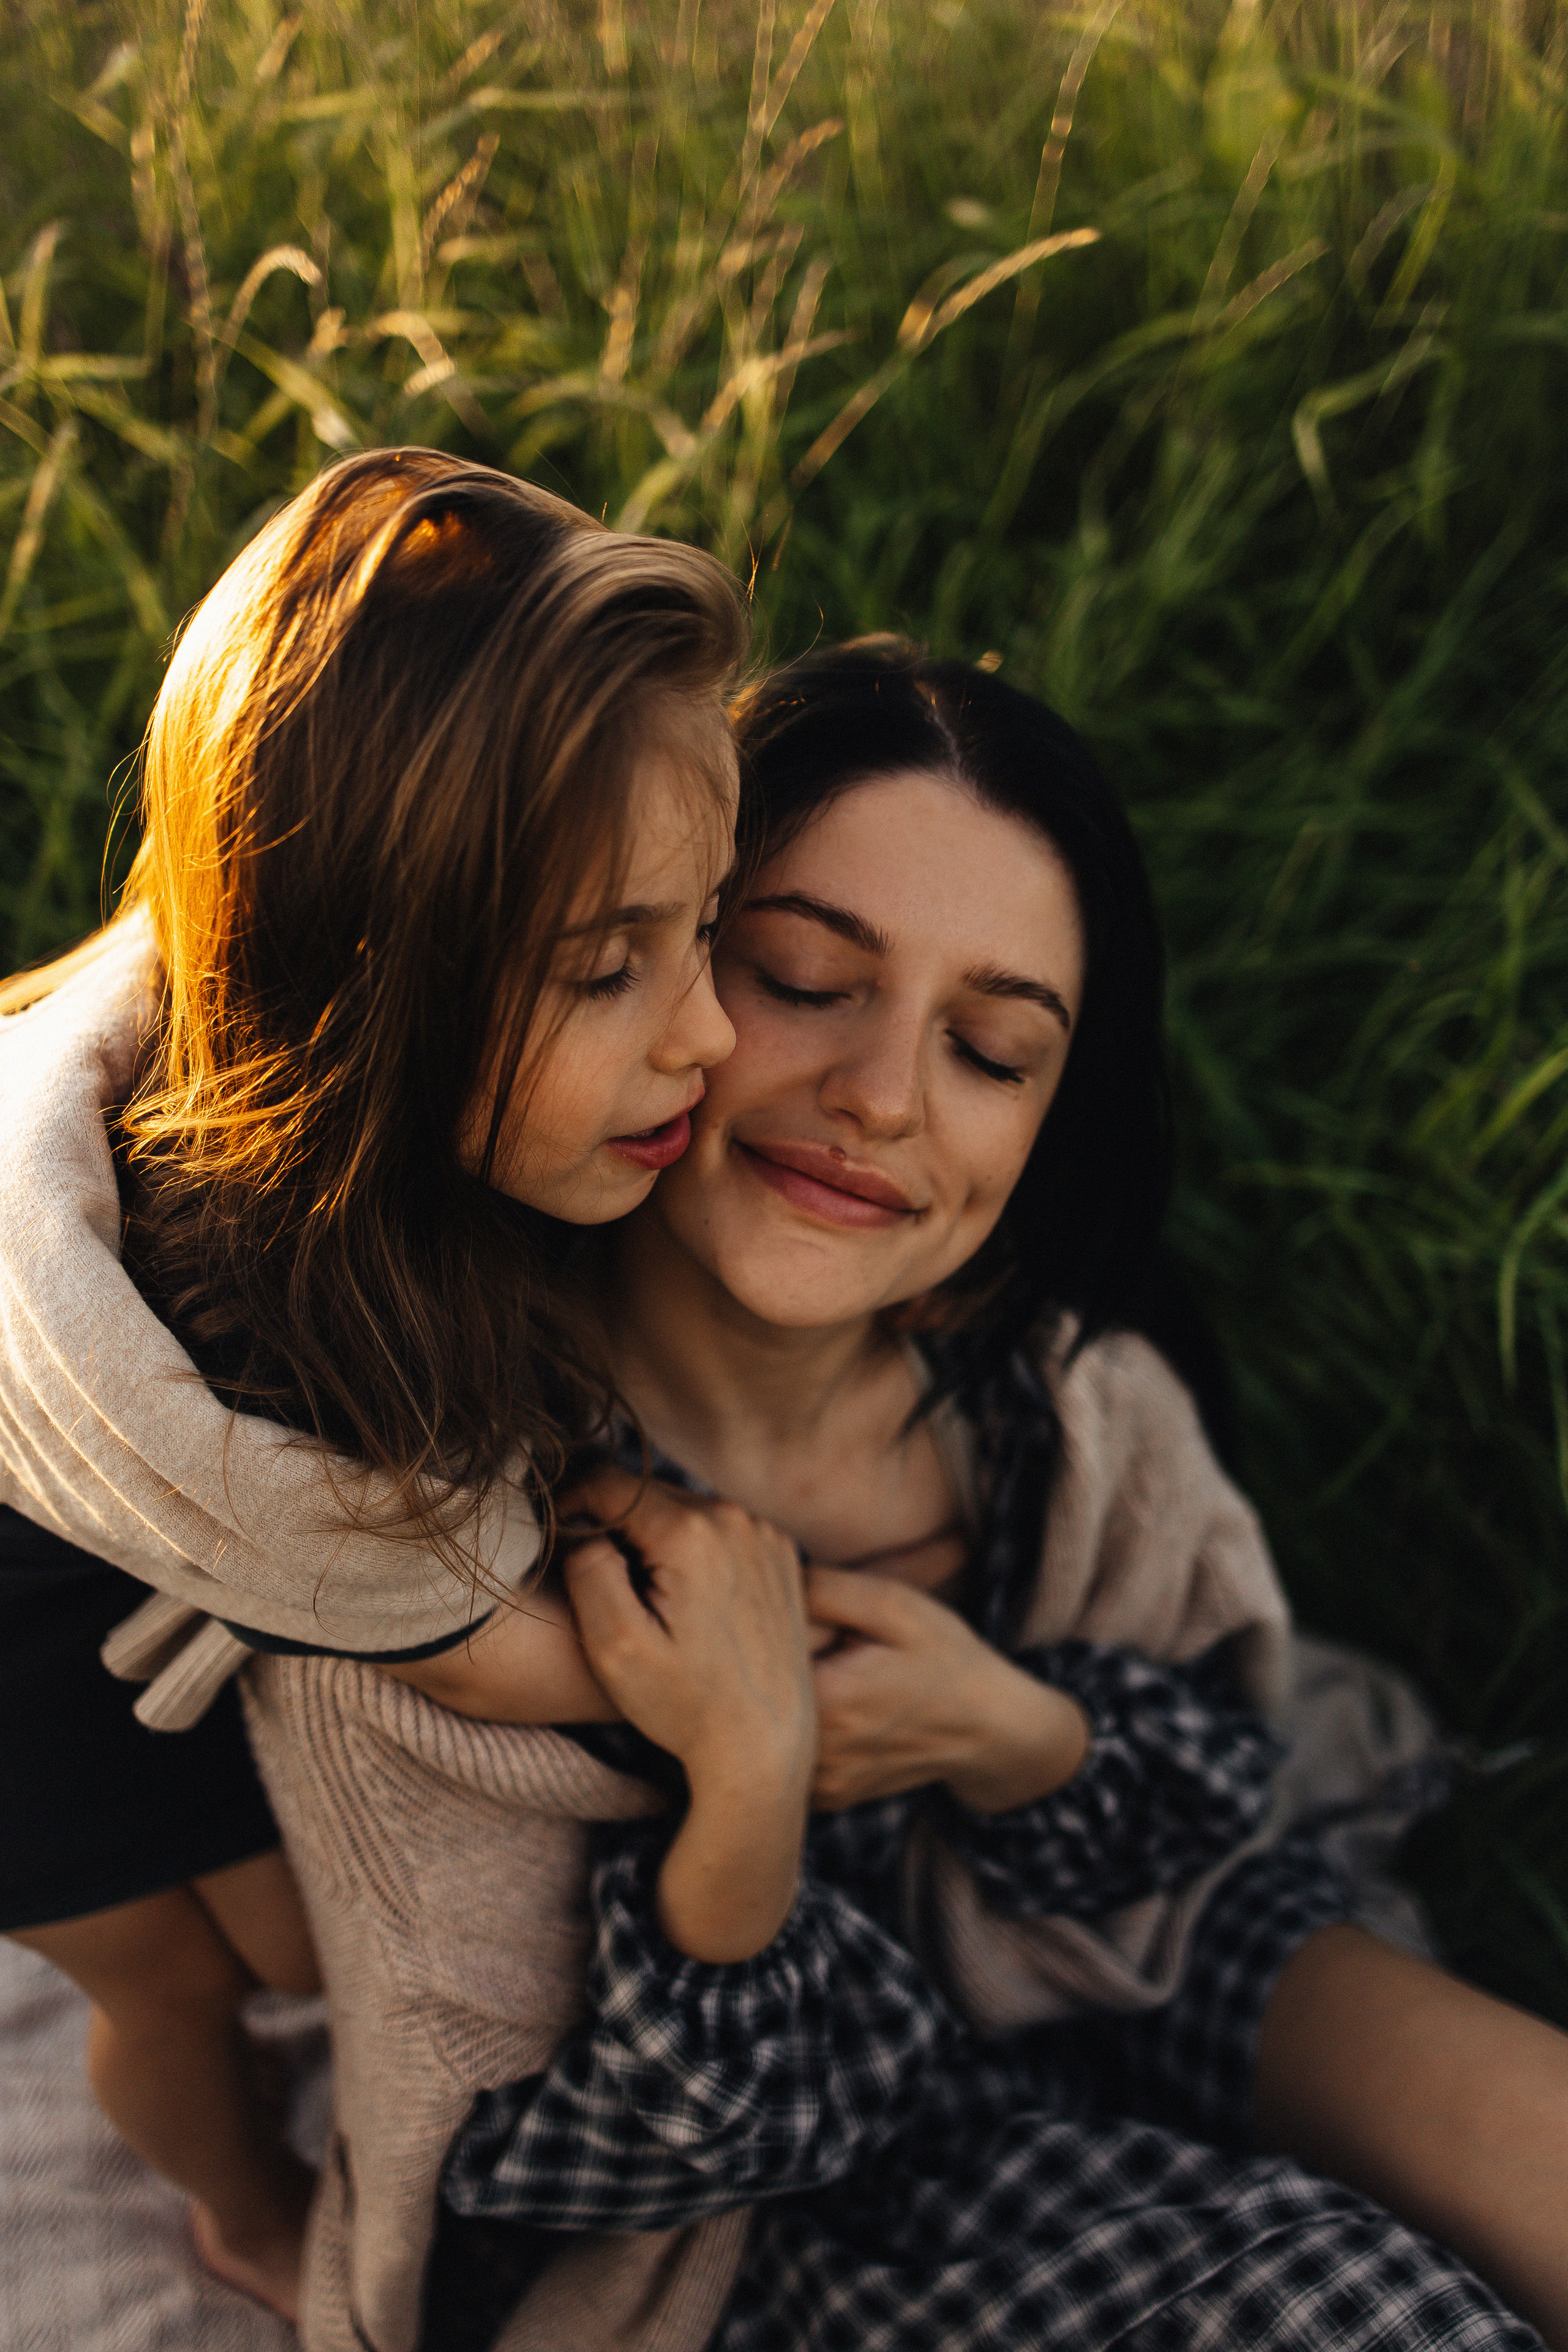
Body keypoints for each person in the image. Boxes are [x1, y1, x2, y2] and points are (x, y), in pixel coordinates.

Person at [418, 643, 1568, 2351]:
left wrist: (1017, 1733)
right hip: (776, 2167)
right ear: (634, 963)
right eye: (805, 976)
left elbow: (1207, 1796)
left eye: (991, 1049)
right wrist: (748, 1803)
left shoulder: (1062, 1410)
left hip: (1107, 1941)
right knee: (1356, 2312)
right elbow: (524, 2151)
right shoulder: (460, 1488)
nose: (884, 1096)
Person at [0, 445, 749, 2322]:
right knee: (196, 1982)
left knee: (273, 1923)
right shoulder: (249, 1324)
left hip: (81, 1575)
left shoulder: (330, 1102)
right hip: (10, 1706)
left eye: (710, 928)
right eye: (608, 972)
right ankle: (238, 2196)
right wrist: (752, 1691)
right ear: (362, 993)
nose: (712, 1034)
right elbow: (488, 1648)